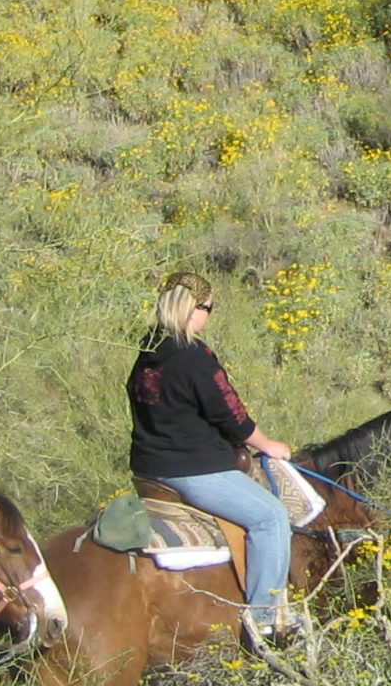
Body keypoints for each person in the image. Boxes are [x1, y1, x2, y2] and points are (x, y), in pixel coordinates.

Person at [127, 272, 300, 636]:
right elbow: (229, 413)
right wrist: (268, 445)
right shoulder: (194, 356)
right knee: (271, 517)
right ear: (194, 310)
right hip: (191, 468)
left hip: (148, 468)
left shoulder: (148, 349)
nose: (210, 315)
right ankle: (266, 622)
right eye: (209, 308)